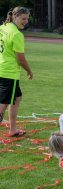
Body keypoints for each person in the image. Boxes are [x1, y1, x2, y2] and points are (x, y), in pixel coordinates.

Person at [0, 7, 33, 137]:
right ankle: (12, 129)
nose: (26, 21)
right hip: (9, 73)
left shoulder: (3, 27)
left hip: (2, 69)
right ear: (14, 17)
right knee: (3, 105)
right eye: (23, 18)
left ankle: (13, 129)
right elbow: (20, 59)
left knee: (17, 98)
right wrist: (29, 70)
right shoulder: (17, 34)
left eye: (27, 19)